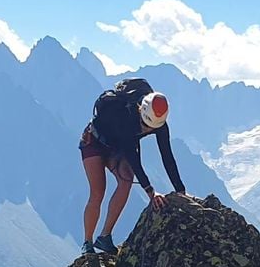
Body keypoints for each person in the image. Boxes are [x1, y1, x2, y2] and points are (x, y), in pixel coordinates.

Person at [80, 77, 186, 254]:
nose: (147, 130)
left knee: (126, 180)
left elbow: (167, 156)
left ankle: (105, 237)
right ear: (141, 112)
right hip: (94, 141)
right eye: (145, 125)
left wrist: (180, 190)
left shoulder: (159, 124)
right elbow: (133, 157)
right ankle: (87, 243)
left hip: (116, 146)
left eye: (151, 128)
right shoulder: (126, 117)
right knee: (98, 192)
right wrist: (151, 192)